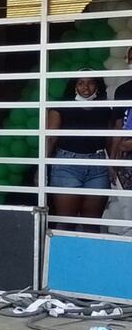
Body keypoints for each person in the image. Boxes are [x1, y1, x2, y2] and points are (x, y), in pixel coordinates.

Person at [47, 74, 118, 232]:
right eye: (81, 83)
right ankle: (64, 256)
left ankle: (90, 257)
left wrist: (112, 164)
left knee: (92, 224)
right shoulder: (61, 107)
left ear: (97, 86)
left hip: (98, 167)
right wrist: (42, 165)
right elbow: (50, 138)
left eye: (91, 83)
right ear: (74, 86)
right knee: (66, 222)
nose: (86, 88)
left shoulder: (105, 109)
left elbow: (108, 138)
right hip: (67, 166)